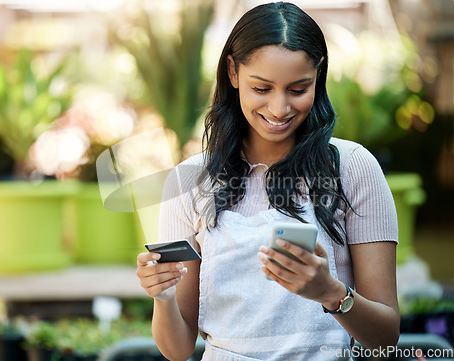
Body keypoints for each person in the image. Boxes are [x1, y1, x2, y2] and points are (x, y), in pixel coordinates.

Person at [136, 2, 400, 360]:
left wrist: (331, 293)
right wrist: (163, 295)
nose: (279, 109)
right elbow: (178, 349)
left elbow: (385, 339)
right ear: (232, 72)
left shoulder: (353, 169)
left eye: (298, 89)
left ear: (318, 76)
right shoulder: (189, 181)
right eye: (262, 88)